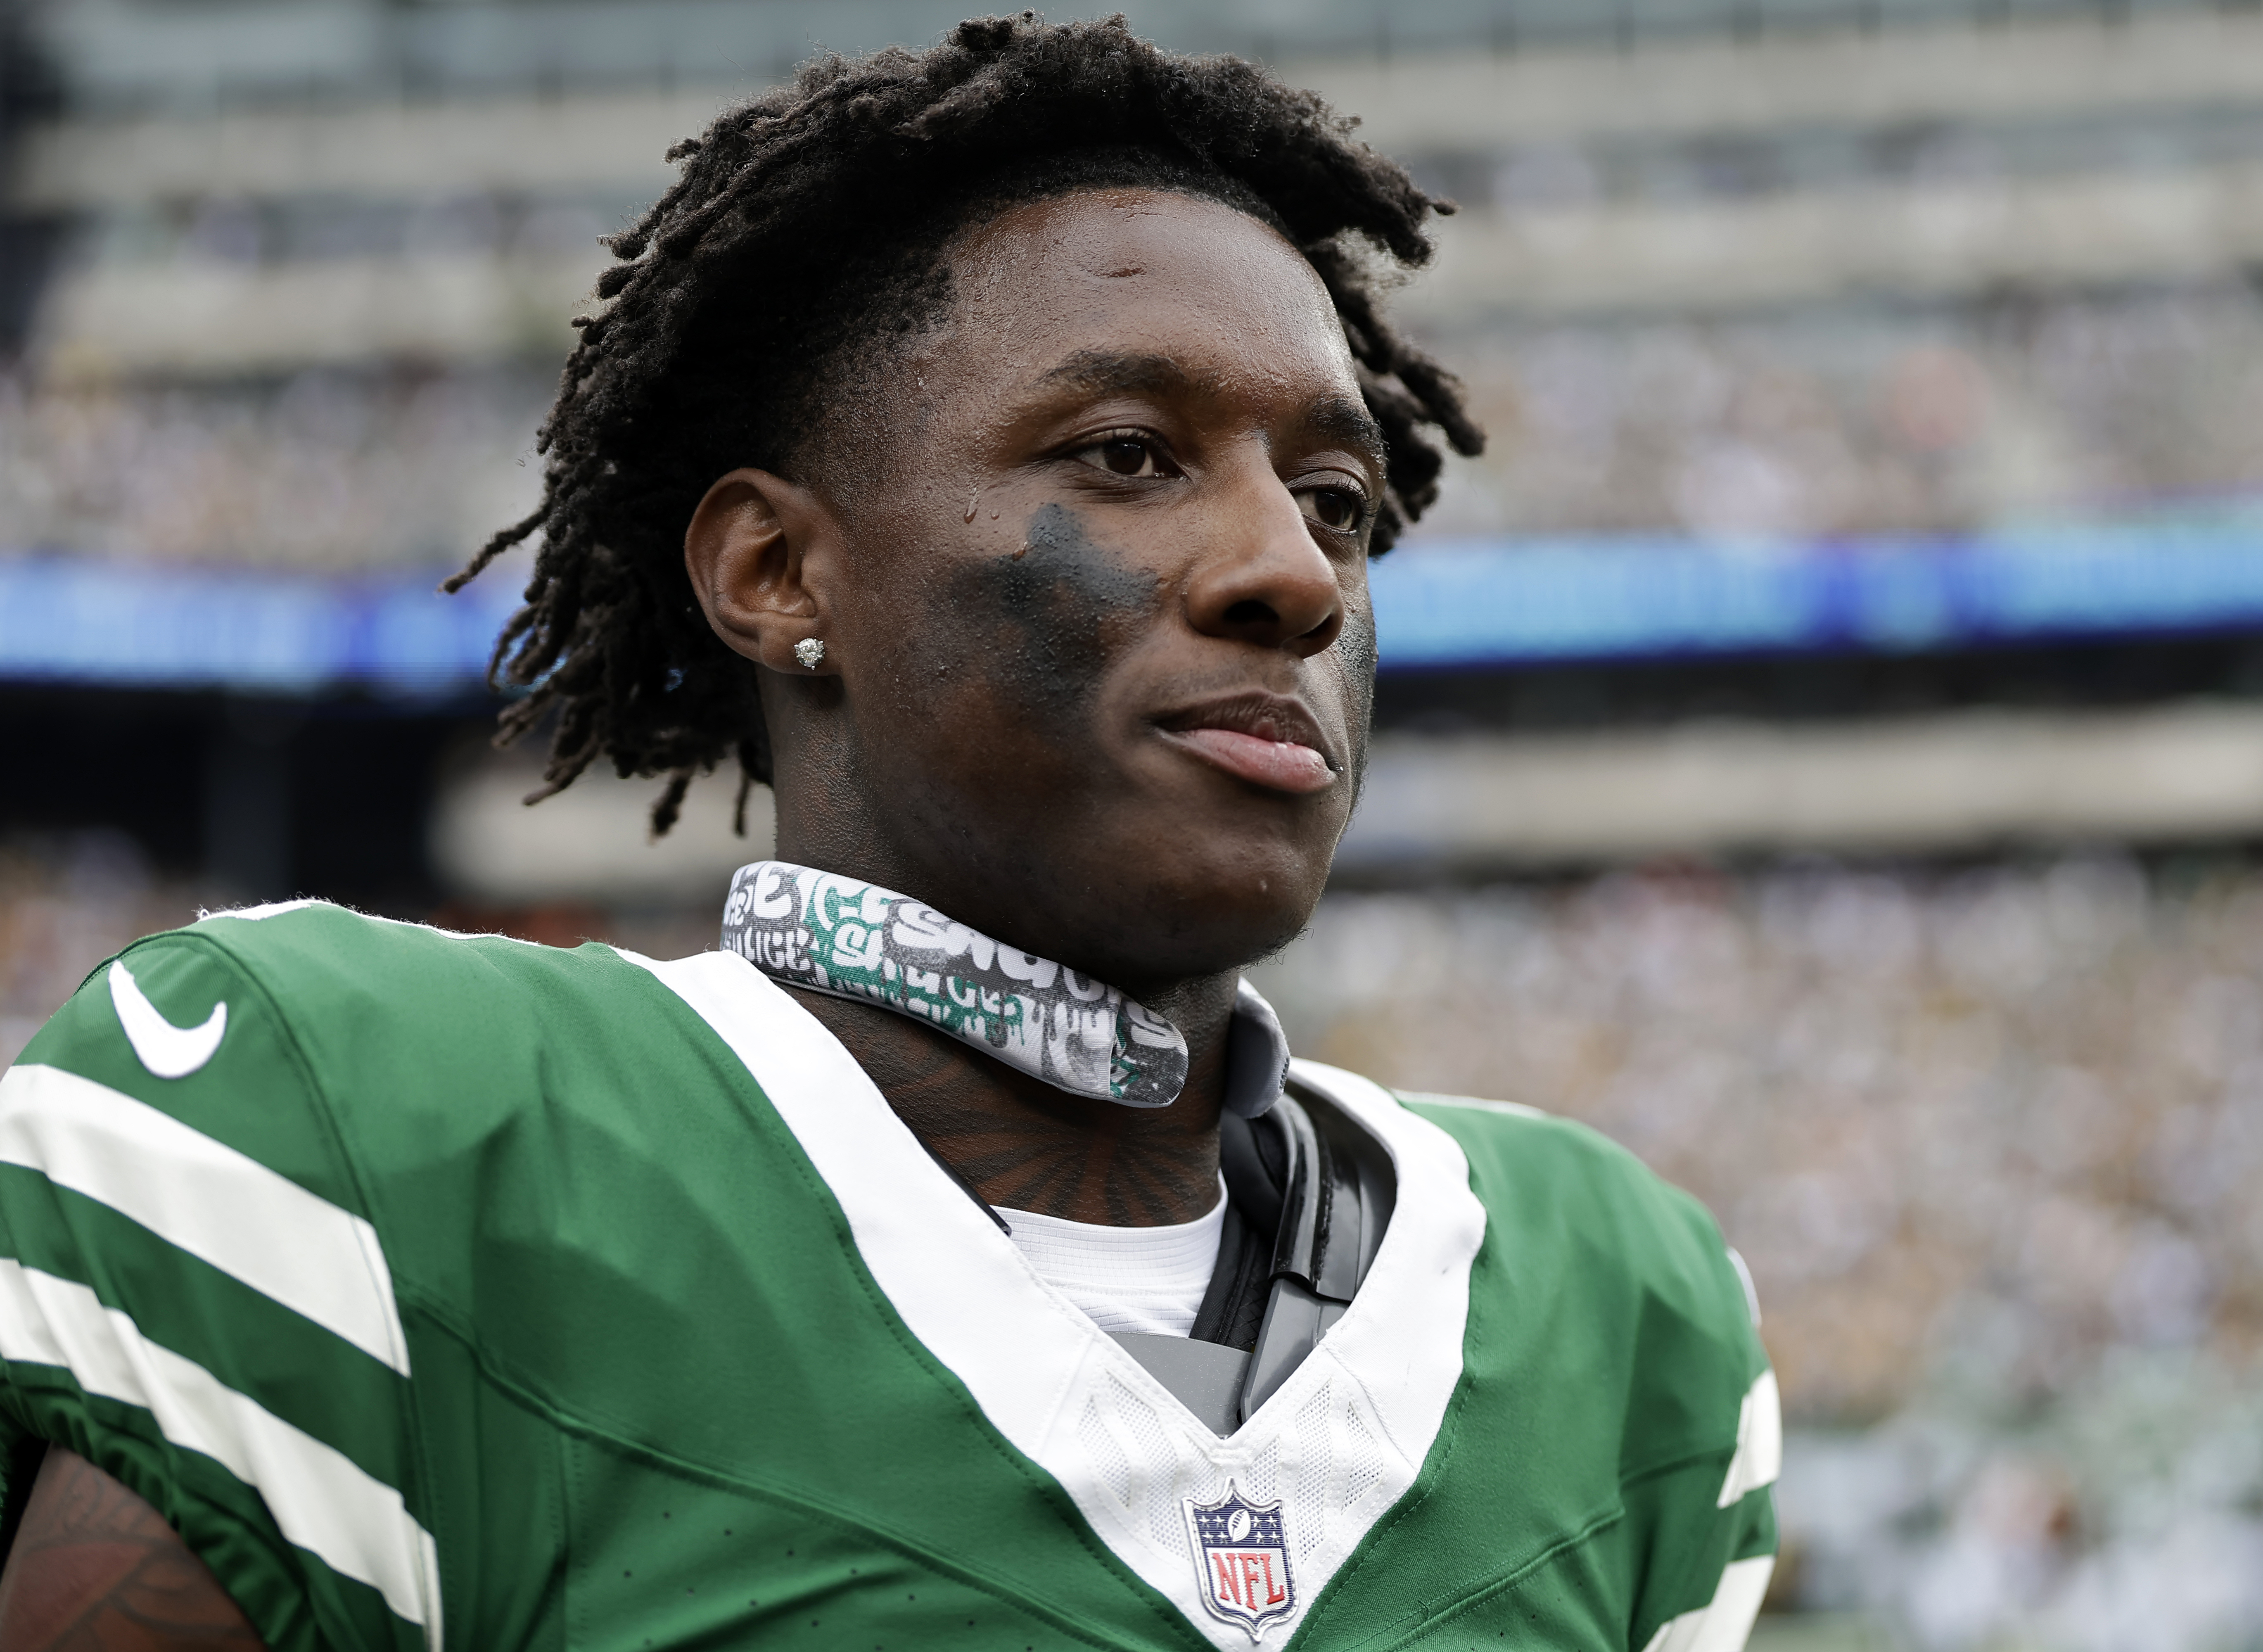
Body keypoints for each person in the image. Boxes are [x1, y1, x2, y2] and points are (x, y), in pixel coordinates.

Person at [0, 16, 1777, 1650]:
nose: (1294, 574)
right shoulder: (366, 1137)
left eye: (1337, 501)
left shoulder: (1617, 1320)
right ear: (779, 573)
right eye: (1128, 454)